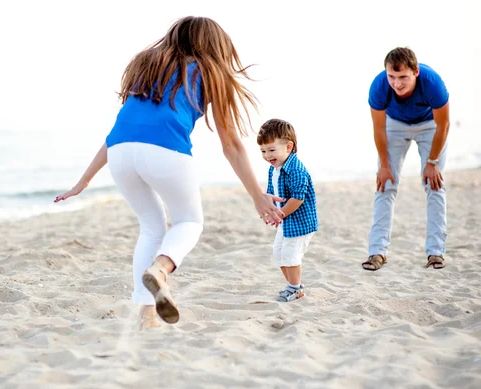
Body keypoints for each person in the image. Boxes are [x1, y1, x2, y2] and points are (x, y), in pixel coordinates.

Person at [54, 16, 284, 329]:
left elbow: (119, 133)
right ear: (216, 46)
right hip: (165, 151)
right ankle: (161, 269)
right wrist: (257, 196)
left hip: (120, 153)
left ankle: (148, 315)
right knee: (190, 221)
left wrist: (84, 180)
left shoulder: (147, 66)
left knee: (151, 228)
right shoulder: (209, 70)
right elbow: (230, 144)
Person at [362, 47, 450, 271]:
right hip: (395, 126)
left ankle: (435, 252)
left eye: (403, 77)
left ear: (416, 72)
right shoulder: (379, 86)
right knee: (385, 185)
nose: (397, 83)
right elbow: (379, 128)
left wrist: (432, 163)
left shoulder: (433, 83)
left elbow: (443, 125)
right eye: (392, 76)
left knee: (434, 185)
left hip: (429, 126)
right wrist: (383, 166)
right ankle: (377, 252)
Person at [257, 119, 318, 302]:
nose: (267, 155)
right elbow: (271, 193)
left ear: (289, 147)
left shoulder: (296, 170)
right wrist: (268, 210)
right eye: (263, 151)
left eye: (271, 150)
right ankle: (293, 285)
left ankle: (296, 288)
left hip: (299, 222)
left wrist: (280, 213)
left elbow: (298, 198)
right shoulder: (274, 168)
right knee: (279, 254)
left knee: (291, 255)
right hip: (285, 220)